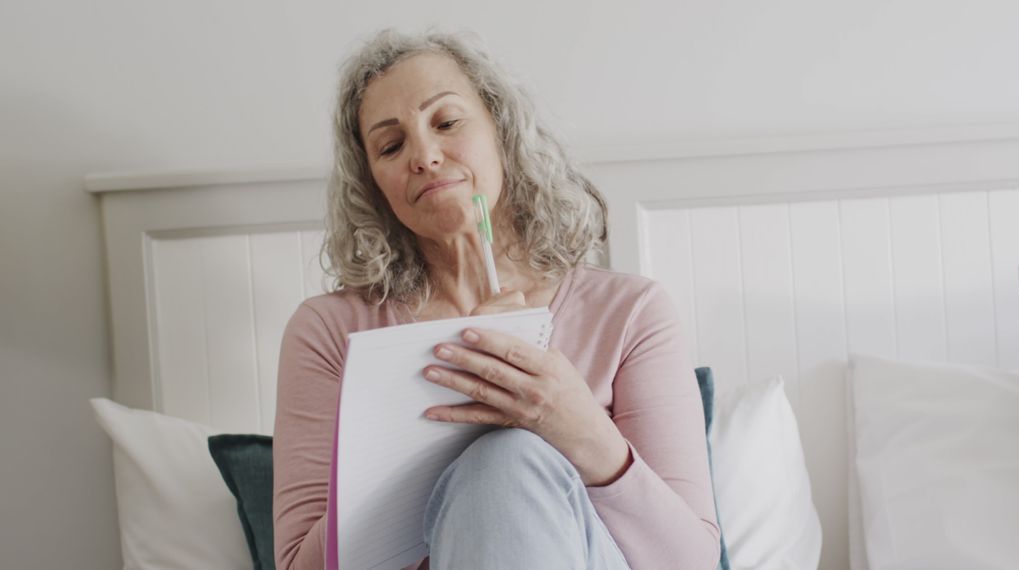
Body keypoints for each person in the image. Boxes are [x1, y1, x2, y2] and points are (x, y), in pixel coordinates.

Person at [273, 29, 721, 570]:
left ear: (502, 131)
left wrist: (573, 423)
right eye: (392, 146)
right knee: (499, 459)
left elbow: (690, 561)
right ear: (373, 184)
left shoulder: (630, 313)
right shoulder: (330, 330)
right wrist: (416, 429)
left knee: (511, 460)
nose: (425, 155)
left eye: (447, 122)